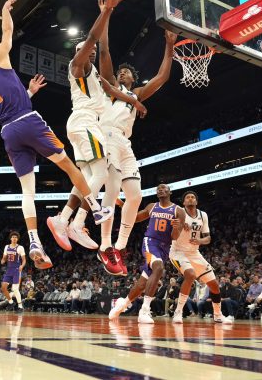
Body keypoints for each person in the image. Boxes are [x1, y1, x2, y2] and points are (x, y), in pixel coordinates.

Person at [0, 0, 118, 270]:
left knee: (27, 192)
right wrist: (5, 10)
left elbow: (6, 104)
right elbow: (7, 30)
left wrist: (28, 92)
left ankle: (34, 240)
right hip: (29, 121)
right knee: (71, 167)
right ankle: (95, 209)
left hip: (8, 132)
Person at [46, 0, 148, 274]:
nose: (90, 55)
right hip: (85, 123)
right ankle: (66, 220)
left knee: (91, 176)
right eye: (85, 52)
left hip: (89, 129)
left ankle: (75, 222)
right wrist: (106, 13)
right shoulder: (77, 67)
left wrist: (134, 102)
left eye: (90, 54)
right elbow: (94, 41)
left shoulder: (99, 83)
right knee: (101, 172)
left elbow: (112, 84)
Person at [95, 27, 178, 276]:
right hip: (107, 135)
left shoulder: (137, 93)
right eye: (120, 71)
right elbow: (105, 53)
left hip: (124, 142)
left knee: (135, 195)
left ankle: (119, 246)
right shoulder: (110, 87)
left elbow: (162, 77)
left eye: (127, 71)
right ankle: (105, 244)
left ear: (133, 78)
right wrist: (105, 21)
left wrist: (170, 45)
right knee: (110, 193)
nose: (122, 72)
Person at [108, 184, 184, 323]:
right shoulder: (152, 206)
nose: (160, 190)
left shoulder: (179, 211)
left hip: (165, 248)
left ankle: (122, 305)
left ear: (170, 192)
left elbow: (174, 237)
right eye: (158, 189)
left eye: (163, 188)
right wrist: (122, 205)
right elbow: (135, 218)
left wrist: (176, 228)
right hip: (150, 243)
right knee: (159, 268)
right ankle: (144, 310)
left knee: (142, 284)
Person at [170, 191, 233, 324]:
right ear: (184, 202)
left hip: (194, 253)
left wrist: (200, 241)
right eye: (187, 197)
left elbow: (208, 238)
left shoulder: (203, 215)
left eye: (193, 197)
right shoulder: (178, 212)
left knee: (214, 285)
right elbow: (172, 234)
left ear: (196, 202)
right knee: (191, 275)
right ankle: (178, 312)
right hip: (178, 251)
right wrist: (179, 226)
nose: (190, 199)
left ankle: (217, 314)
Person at [0, 231, 26, 311]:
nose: (14, 238)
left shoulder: (20, 248)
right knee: (3, 287)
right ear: (10, 238)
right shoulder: (6, 247)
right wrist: (2, 260)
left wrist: (22, 266)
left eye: (16, 237)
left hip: (16, 269)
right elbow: (4, 257)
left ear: (17, 239)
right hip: (9, 269)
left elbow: (24, 260)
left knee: (15, 289)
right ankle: (11, 302)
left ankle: (20, 306)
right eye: (13, 237)